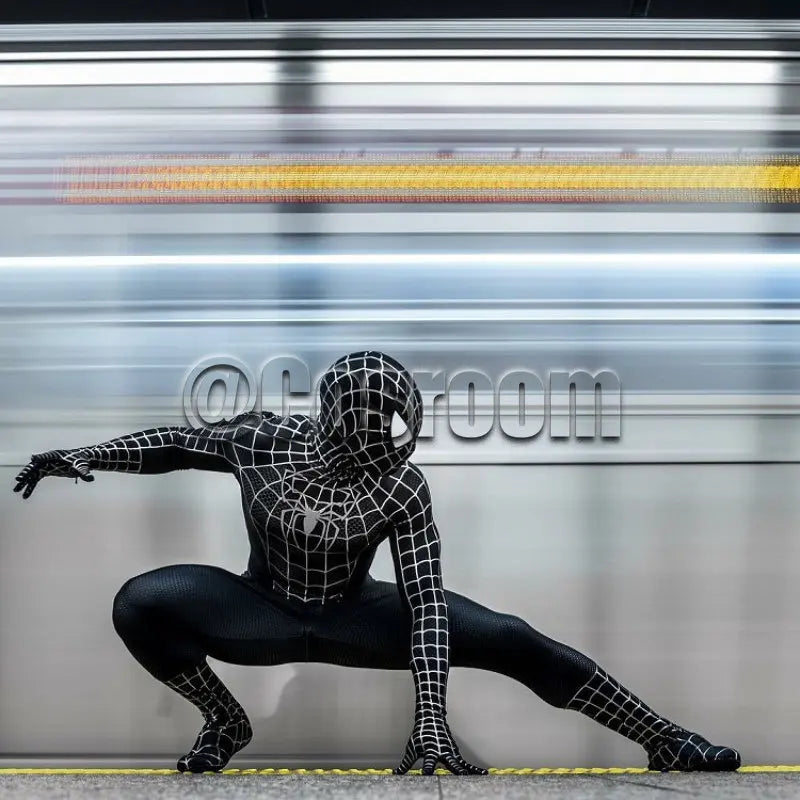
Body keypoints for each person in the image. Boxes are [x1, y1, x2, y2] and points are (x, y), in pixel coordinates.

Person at [13, 351, 740, 775]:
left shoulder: (401, 484)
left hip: (358, 616)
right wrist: (88, 455)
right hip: (258, 607)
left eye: (388, 425)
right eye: (362, 425)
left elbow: (426, 602)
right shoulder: (264, 440)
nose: (377, 441)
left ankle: (665, 739)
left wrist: (430, 721)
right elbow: (174, 444)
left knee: (511, 637)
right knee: (143, 599)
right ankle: (224, 720)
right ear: (331, 420)